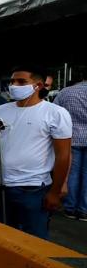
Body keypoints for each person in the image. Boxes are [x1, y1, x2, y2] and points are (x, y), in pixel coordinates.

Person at [0, 68, 72, 239]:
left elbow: (63, 155)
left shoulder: (55, 113)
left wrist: (55, 191)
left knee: (34, 240)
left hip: (33, 189)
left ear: (37, 86)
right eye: (12, 82)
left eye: (21, 82)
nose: (14, 86)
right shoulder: (0, 110)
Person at [54, 78, 87, 220]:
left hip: (70, 137)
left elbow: (54, 111)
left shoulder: (64, 92)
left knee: (72, 173)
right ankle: (84, 209)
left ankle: (70, 208)